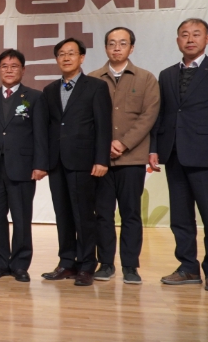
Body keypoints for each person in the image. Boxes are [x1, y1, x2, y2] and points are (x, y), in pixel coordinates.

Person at [150, 18, 208, 292]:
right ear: (178, 40)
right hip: (174, 154)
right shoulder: (166, 74)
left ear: (207, 39)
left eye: (196, 34)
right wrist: (154, 148)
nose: (190, 39)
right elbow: (162, 115)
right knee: (180, 218)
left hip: (207, 156)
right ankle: (188, 267)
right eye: (185, 35)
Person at [88, 27, 160, 284]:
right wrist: (104, 145)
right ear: (105, 48)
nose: (116, 48)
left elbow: (149, 115)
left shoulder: (146, 78)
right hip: (101, 160)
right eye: (111, 43)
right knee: (103, 214)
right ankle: (106, 263)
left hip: (132, 159)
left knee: (131, 214)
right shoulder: (93, 79)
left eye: (122, 43)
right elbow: (87, 118)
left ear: (132, 47)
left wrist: (124, 143)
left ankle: (130, 266)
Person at [39, 38, 112, 286]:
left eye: (71, 53)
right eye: (61, 54)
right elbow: (48, 127)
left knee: (84, 216)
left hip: (83, 161)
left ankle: (87, 265)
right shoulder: (49, 90)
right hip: (57, 161)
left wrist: (101, 159)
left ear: (82, 58)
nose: (66, 58)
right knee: (63, 215)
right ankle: (67, 262)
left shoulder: (96, 87)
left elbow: (103, 126)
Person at [0, 49, 48, 282]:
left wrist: (40, 164)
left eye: (14, 66)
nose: (9, 70)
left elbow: (41, 134)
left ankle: (20, 264)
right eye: (4, 66)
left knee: (21, 218)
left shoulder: (35, 97)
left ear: (23, 69)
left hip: (23, 166)